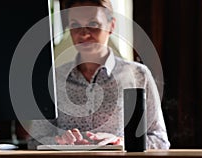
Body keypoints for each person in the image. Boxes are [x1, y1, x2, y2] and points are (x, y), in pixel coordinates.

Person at [28, 0, 170, 149]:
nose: (84, 33)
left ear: (111, 25)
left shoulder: (138, 75)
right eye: (75, 25)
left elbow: (159, 140)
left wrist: (121, 142)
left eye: (93, 24)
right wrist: (58, 142)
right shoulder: (54, 79)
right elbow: (34, 142)